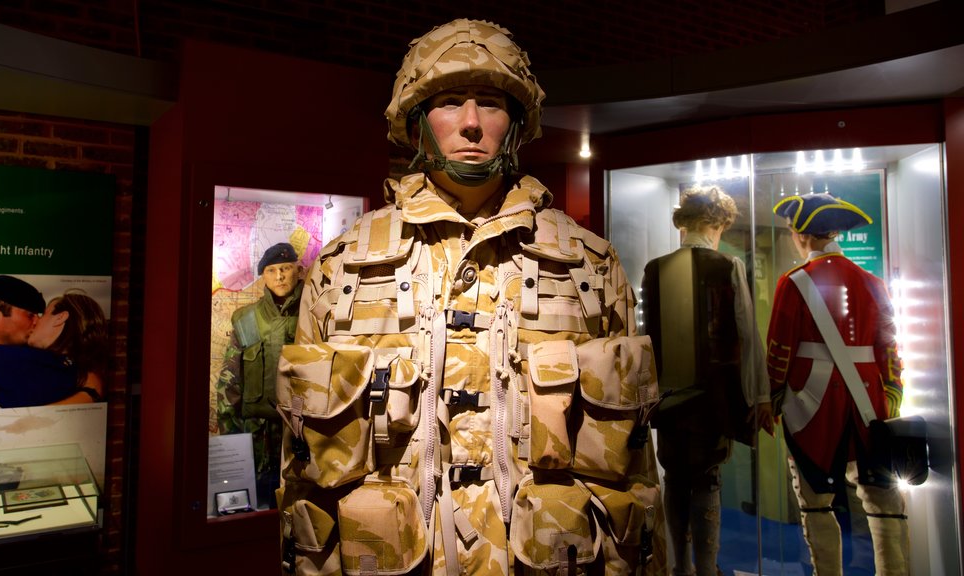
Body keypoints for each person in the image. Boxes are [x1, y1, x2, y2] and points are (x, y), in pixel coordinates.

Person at [276, 19, 665, 576]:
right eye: (450, 102)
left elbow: (634, 466)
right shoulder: (344, 268)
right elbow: (302, 470)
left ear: (515, 125)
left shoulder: (588, 265)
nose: (471, 124)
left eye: (490, 102)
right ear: (416, 126)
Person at [767, 193, 908, 575]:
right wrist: (892, 391)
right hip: (869, 402)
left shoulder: (793, 282)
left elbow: (779, 350)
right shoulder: (872, 281)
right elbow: (889, 345)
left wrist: (772, 397)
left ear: (801, 235)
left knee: (816, 502)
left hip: (813, 409)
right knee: (882, 501)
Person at [641, 186, 773, 576]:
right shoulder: (726, 266)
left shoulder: (654, 268)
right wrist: (759, 397)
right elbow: (748, 337)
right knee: (708, 479)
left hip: (667, 399)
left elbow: (648, 341)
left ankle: (678, 567)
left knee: (676, 477)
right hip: (714, 398)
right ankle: (706, 567)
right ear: (715, 224)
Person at [215, 242, 303, 509]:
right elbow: (230, 383)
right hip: (257, 441)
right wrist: (232, 445)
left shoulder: (312, 315)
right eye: (272, 270)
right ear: (263, 276)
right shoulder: (249, 319)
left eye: (286, 268)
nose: (279, 276)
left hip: (301, 436)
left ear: (297, 271)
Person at [0, 284, 109, 409]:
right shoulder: (77, 371)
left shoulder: (32, 363)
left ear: (60, 318)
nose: (36, 321)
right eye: (30, 315)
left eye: (42, 315)